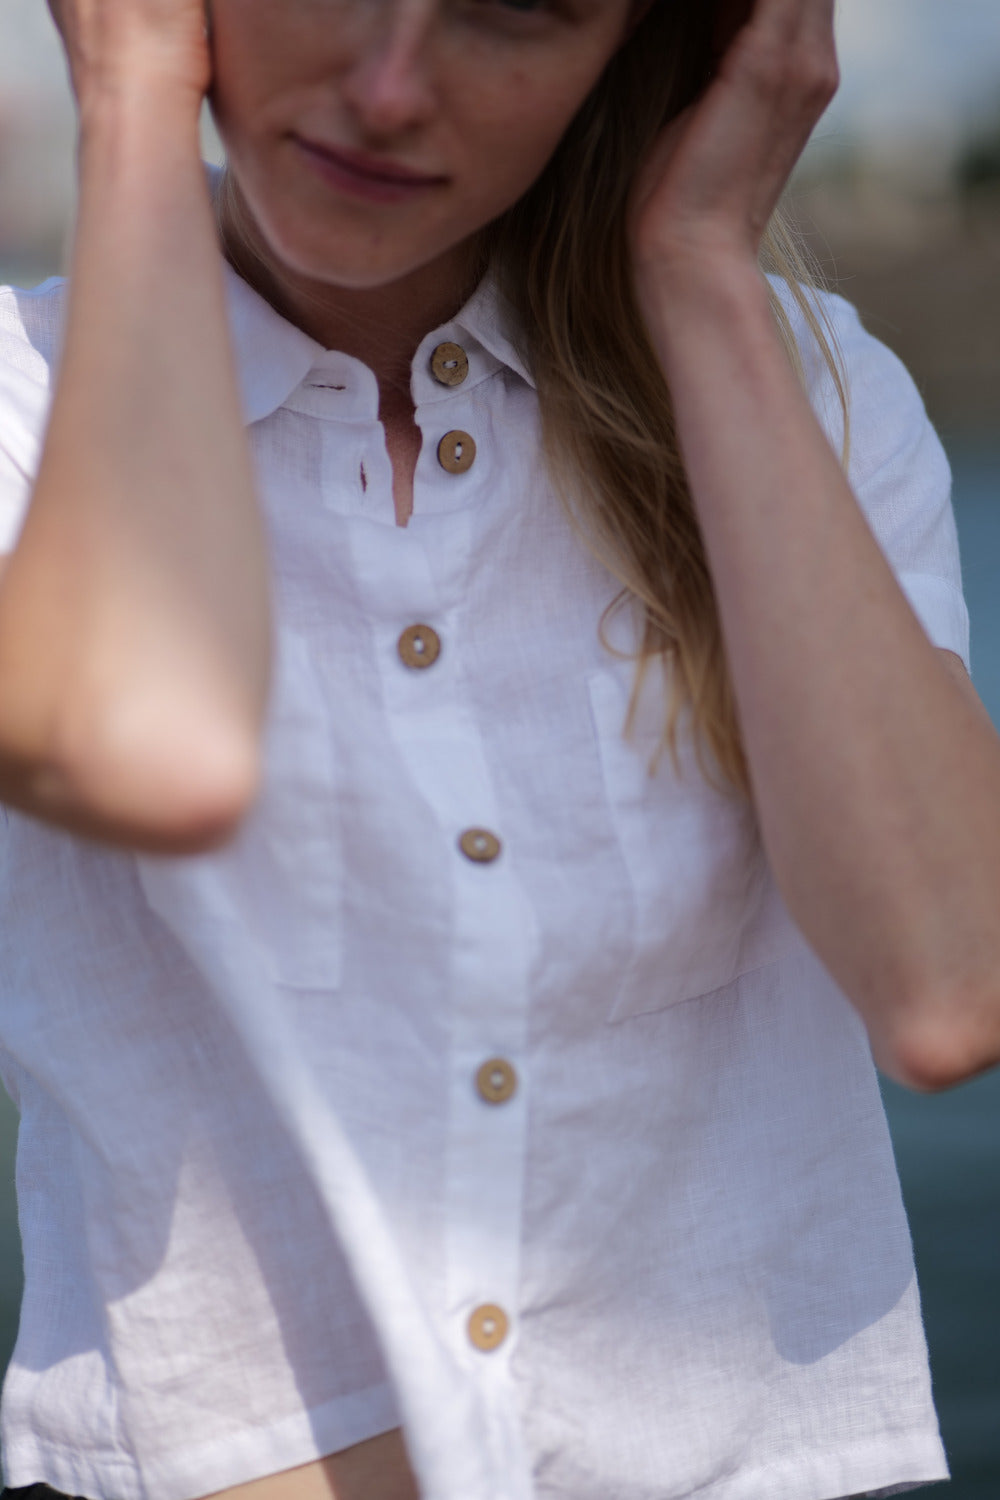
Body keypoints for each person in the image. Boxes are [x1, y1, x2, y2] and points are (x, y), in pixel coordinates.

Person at [0, 0, 999, 1496]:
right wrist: (132, 100)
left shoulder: (802, 392)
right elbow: (160, 750)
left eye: (511, 8)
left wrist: (700, 266)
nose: (390, 88)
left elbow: (949, 986)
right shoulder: (23, 413)